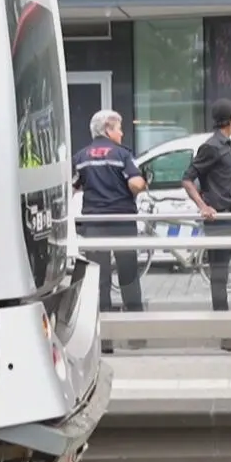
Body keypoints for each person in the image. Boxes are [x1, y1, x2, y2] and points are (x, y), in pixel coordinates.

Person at [182, 98, 231, 352]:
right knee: (220, 277)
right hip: (219, 222)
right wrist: (203, 206)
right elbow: (188, 179)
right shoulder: (211, 147)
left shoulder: (227, 146)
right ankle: (227, 335)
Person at [75, 109, 147, 354]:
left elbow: (72, 186)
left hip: (94, 225)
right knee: (128, 276)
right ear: (107, 129)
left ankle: (104, 340)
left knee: (99, 279)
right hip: (122, 223)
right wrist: (141, 184)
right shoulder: (122, 154)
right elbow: (136, 183)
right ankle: (136, 335)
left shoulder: (81, 156)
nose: (122, 132)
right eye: (119, 127)